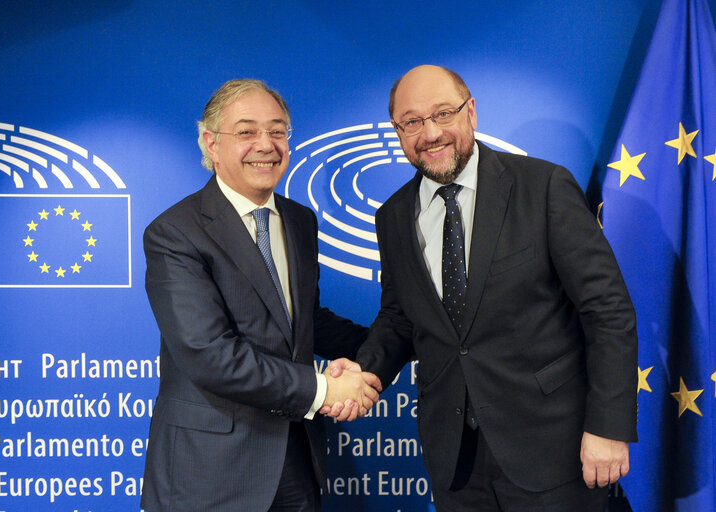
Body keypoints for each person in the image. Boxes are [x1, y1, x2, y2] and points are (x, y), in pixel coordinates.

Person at [328, 65, 638, 511]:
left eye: (442, 113)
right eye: (411, 121)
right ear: (397, 131)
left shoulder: (543, 186)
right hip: (455, 464)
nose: (429, 133)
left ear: (470, 112)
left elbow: (607, 310)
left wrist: (608, 426)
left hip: (554, 451)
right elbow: (400, 316)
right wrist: (367, 371)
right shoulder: (393, 216)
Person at [140, 79, 381, 512]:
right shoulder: (175, 232)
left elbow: (304, 322)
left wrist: (401, 342)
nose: (266, 145)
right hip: (211, 472)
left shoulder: (299, 220)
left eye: (278, 130)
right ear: (211, 144)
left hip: (295, 461)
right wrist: (325, 388)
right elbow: (209, 353)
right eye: (247, 132)